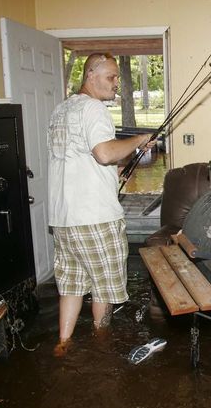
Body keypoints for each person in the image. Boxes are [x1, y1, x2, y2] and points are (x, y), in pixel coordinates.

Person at [47, 53, 155, 356]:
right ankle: (101, 342)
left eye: (118, 78)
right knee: (104, 287)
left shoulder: (62, 109)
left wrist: (125, 161)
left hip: (63, 218)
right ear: (91, 75)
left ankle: (63, 342)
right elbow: (104, 154)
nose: (117, 83)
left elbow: (86, 159)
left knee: (70, 285)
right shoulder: (93, 108)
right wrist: (139, 139)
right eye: (111, 77)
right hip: (94, 217)